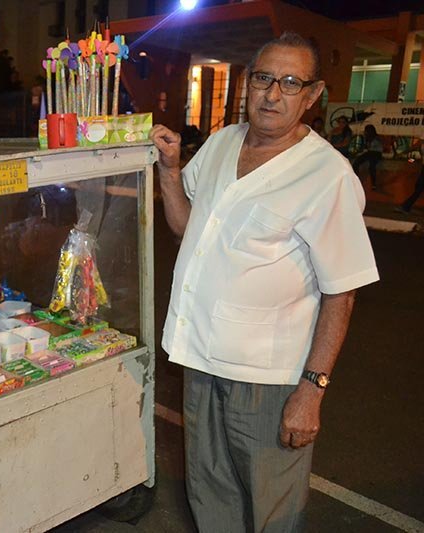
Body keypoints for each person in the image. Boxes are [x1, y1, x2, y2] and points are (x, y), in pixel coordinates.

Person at [149, 32, 379, 532]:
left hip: (268, 378)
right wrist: (170, 172)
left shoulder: (327, 175)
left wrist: (312, 390)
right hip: (197, 357)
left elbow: (343, 290)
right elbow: (188, 227)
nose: (273, 94)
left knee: (274, 506)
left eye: (291, 83)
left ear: (313, 96)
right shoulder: (220, 143)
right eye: (264, 78)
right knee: (209, 492)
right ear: (246, 83)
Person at [352, 125, 383, 190]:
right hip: (370, 152)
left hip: (376, 153)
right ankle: (355, 179)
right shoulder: (367, 138)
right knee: (356, 162)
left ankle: (373, 184)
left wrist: (368, 141)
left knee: (372, 166)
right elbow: (367, 148)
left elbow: (376, 147)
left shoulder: (377, 138)